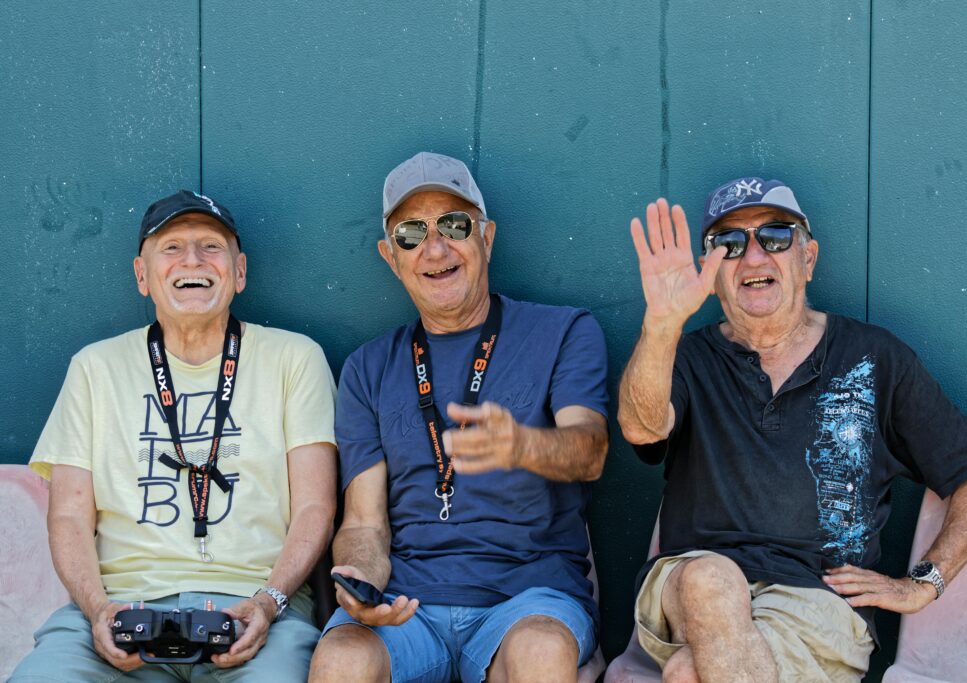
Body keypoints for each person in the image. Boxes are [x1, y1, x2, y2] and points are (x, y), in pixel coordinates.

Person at [617, 177, 967, 682]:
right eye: (729, 244)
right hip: (687, 585)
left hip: (819, 605)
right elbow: (641, 427)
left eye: (776, 237)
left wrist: (921, 584)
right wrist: (661, 324)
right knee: (711, 581)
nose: (754, 257)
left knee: (687, 674)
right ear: (710, 272)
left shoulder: (875, 358)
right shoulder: (685, 356)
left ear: (808, 258)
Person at [11, 190, 338, 682]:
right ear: (142, 275)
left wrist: (268, 603)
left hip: (253, 611)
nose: (192, 260)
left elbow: (316, 506)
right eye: (171, 247)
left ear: (240, 270)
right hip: (121, 613)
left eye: (211, 246)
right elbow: (69, 515)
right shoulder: (94, 368)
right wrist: (99, 610)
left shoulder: (295, 359)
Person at [308, 152, 609, 683]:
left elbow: (590, 450)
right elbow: (363, 521)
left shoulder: (562, 331)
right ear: (390, 255)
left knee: (539, 650)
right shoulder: (368, 367)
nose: (436, 247)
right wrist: (362, 582)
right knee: (341, 659)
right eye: (410, 233)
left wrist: (523, 447)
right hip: (407, 606)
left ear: (486, 237)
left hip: (528, 598)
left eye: (454, 224)